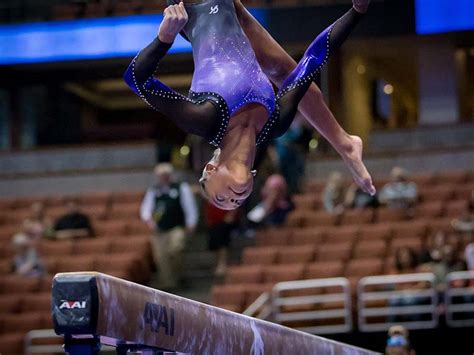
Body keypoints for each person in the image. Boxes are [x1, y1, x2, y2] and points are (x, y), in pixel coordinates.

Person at [124, 0, 375, 210]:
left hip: (192, 8)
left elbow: (136, 79)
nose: (234, 199)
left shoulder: (205, 119)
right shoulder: (273, 125)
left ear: (211, 169)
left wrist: (164, 39)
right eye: (237, 202)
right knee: (284, 70)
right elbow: (310, 62)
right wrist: (357, 11)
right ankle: (346, 144)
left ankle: (345, 144)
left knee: (281, 68)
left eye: (220, 198)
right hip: (227, 9)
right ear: (253, 180)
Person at [140, 163, 198, 290]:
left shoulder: (181, 188)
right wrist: (150, 222)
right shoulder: (154, 190)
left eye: (166, 175)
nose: (163, 178)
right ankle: (169, 284)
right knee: (161, 258)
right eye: (161, 175)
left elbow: (189, 207)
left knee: (176, 249)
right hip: (159, 229)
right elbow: (145, 210)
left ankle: (178, 276)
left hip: (176, 227)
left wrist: (191, 223)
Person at [205, 202, 239, 277]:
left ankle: (222, 263)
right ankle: (217, 263)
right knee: (214, 243)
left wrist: (231, 214)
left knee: (222, 243)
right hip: (213, 218)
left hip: (224, 217)